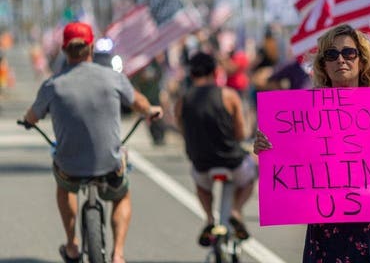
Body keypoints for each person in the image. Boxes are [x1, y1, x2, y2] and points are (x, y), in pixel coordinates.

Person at [253, 24, 370, 262]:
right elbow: (294, 160)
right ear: (323, 65)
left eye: (349, 53)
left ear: (362, 61)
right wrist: (268, 148)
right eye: (331, 54)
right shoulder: (305, 112)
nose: (340, 59)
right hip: (332, 234)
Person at [22, 22, 163, 263]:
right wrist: (150, 110)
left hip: (70, 168)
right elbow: (138, 102)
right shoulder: (112, 78)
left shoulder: (52, 85)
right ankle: (118, 255)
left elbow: (32, 116)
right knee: (122, 195)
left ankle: (72, 245)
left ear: (65, 50)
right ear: (91, 47)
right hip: (109, 164)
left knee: (63, 185)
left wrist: (27, 121)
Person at [174, 52, 257, 246]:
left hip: (202, 165)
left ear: (191, 74)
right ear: (215, 71)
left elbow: (182, 130)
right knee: (252, 170)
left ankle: (210, 218)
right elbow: (241, 133)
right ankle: (236, 210)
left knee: (201, 184)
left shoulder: (183, 100)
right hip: (232, 162)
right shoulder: (229, 95)